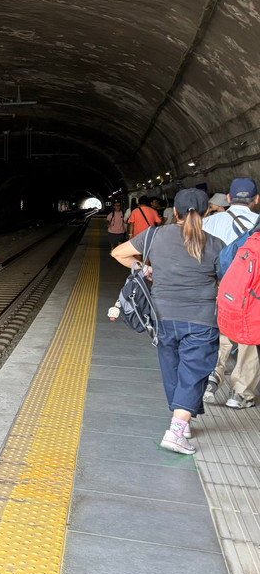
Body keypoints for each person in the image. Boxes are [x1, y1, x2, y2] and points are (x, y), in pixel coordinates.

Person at [111, 188, 226, 454]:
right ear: (207, 213)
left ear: (173, 212)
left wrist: (144, 268)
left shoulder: (155, 235)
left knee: (172, 369)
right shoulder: (216, 244)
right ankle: (176, 431)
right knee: (194, 373)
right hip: (202, 319)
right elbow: (223, 279)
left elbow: (119, 253)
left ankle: (181, 421)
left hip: (162, 316)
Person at [202, 178, 260, 408]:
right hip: (251, 294)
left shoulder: (211, 222)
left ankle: (211, 378)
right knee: (249, 340)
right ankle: (240, 394)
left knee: (217, 333)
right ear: (256, 200)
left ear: (228, 198)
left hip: (218, 288)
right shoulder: (258, 223)